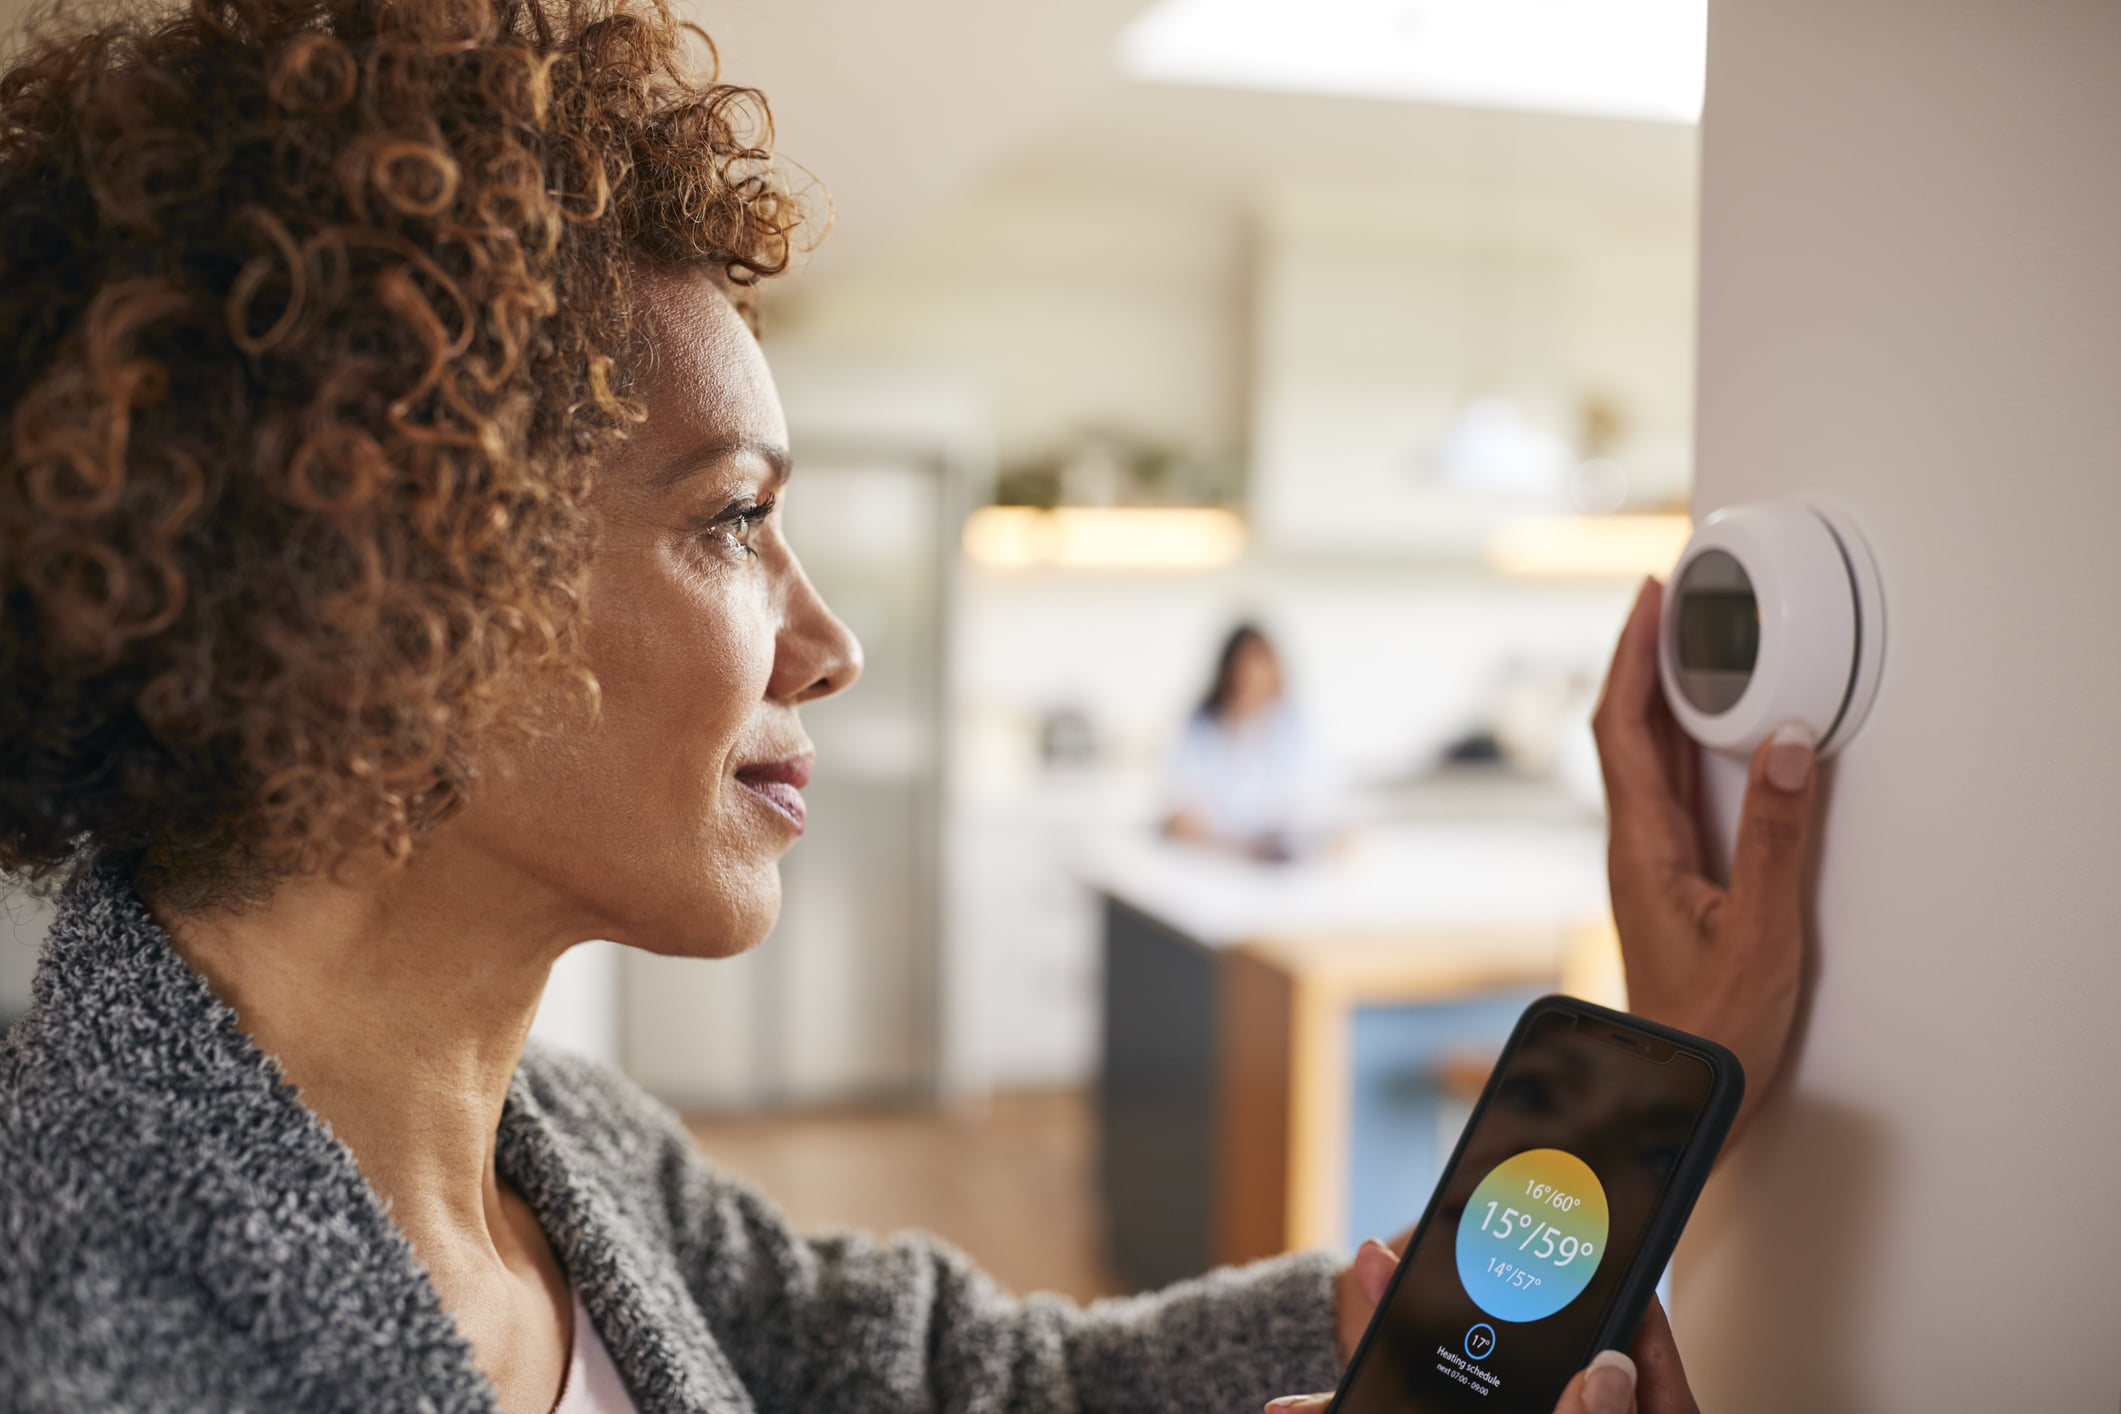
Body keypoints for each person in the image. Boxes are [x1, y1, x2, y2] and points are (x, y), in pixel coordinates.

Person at [0, 0, 1821, 1409]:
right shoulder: (72, 1319)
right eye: (731, 520)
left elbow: (1010, 1387)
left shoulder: (569, 1159)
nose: (829, 641)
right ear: (384, 575)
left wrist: (1618, 1121)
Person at [1163, 624, 1333, 861]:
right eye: (1240, 675)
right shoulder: (1202, 724)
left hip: (1279, 865)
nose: (1248, 684)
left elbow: (1315, 804)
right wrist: (1236, 847)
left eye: (1255, 674)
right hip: (1216, 861)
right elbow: (1178, 814)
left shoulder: (1295, 723)